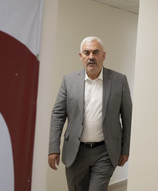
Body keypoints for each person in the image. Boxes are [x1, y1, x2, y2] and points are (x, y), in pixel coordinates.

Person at [48, 36, 132, 191]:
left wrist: (125, 149)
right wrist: (53, 148)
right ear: (81, 56)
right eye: (87, 53)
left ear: (104, 55)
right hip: (75, 151)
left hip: (105, 152)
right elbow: (58, 115)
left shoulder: (119, 81)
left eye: (96, 52)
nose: (91, 57)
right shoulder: (69, 81)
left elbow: (127, 117)